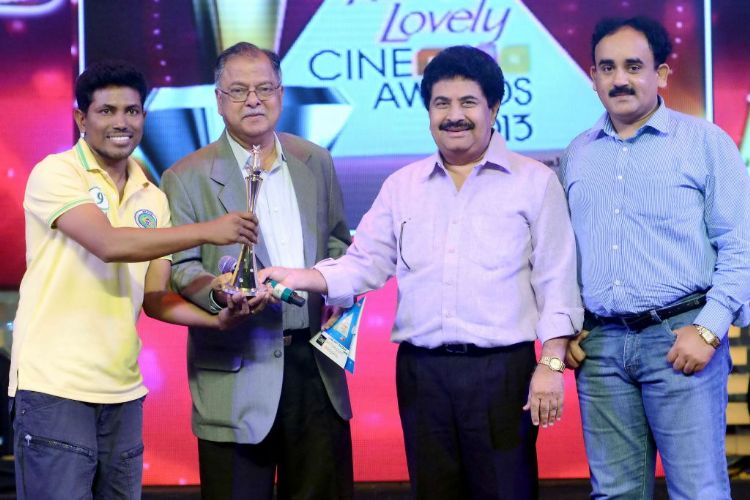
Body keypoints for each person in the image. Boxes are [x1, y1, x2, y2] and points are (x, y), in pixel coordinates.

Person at [260, 45, 582, 500]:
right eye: (441, 104)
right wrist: (301, 277)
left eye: (468, 103)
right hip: (421, 374)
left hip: (502, 373)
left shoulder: (534, 182)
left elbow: (556, 279)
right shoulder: (402, 186)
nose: (455, 116)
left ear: (494, 108)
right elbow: (364, 263)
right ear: (428, 112)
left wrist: (550, 364)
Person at [11, 60, 259, 499]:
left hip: (124, 394)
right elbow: (108, 243)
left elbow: (156, 297)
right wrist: (208, 230)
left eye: (131, 111)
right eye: (106, 111)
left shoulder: (153, 196)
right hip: (54, 388)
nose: (121, 122)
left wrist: (216, 320)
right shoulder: (56, 172)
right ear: (81, 119)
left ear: (144, 116)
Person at [560, 16, 750, 499]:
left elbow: (741, 245)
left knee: (698, 492)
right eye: (607, 67)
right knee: (615, 494)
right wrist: (566, 326)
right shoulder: (577, 154)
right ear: (592, 76)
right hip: (600, 349)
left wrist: (708, 330)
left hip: (682, 338)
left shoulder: (705, 143)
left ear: (661, 74)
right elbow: (562, 254)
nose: (619, 79)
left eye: (633, 66)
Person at [160, 42, 353, 500]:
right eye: (239, 90)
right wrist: (217, 293)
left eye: (265, 88)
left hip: (315, 368)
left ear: (281, 94)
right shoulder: (185, 176)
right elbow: (181, 267)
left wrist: (337, 289)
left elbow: (338, 242)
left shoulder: (315, 161)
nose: (254, 100)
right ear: (218, 99)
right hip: (236, 366)